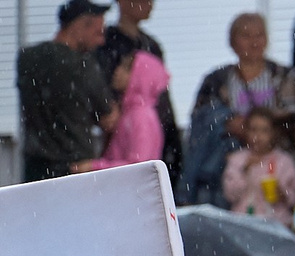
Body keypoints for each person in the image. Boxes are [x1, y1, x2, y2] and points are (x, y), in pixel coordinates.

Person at [185, 15, 295, 205]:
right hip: (227, 166)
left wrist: (259, 128)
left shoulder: (285, 76)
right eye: (246, 36)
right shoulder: (216, 80)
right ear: (232, 42)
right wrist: (227, 123)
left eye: (259, 35)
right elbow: (200, 118)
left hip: (274, 164)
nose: (254, 42)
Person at [18, 0, 116, 181]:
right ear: (78, 26)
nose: (101, 40)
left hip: (34, 168)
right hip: (75, 168)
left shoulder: (27, 59)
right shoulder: (83, 65)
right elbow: (108, 119)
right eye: (97, 32)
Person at [95, 0, 176, 173]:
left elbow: (137, 167)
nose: (150, 5)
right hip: (112, 131)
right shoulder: (104, 43)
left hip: (146, 129)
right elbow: (96, 87)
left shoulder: (151, 46)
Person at [223, 107, 295, 227]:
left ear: (273, 133)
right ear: (246, 131)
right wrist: (244, 170)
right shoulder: (238, 159)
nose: (258, 136)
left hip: (277, 224)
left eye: (264, 131)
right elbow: (230, 194)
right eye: (253, 130)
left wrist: (283, 194)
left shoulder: (283, 160)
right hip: (244, 223)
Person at [99, 48, 168, 168]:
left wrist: (93, 167)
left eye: (126, 68)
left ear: (141, 76)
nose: (117, 71)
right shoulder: (130, 112)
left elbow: (138, 168)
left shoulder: (141, 115)